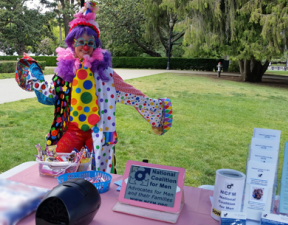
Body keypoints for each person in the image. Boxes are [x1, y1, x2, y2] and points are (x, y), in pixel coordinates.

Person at [15, 2, 172, 173]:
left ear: (96, 46)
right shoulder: (64, 72)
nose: (85, 47)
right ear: (72, 44)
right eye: (81, 41)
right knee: (58, 168)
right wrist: (34, 73)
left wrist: (157, 110)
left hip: (99, 131)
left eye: (90, 42)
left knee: (99, 174)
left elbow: (130, 93)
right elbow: (51, 95)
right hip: (71, 129)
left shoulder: (106, 74)